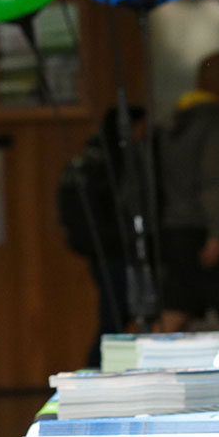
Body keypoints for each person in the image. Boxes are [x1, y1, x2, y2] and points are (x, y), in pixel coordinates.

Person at [157, 53, 219, 332]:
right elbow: (214, 181)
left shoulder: (175, 122)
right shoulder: (216, 125)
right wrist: (216, 234)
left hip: (176, 228)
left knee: (175, 310)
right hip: (211, 233)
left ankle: (148, 368)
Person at [56, 105, 151, 367]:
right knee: (115, 319)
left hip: (100, 252)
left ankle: (101, 370)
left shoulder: (91, 156)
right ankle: (95, 369)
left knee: (114, 316)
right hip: (117, 250)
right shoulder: (119, 160)